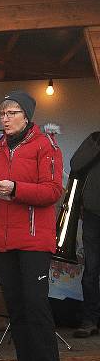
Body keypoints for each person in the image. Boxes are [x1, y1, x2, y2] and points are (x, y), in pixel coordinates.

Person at [0, 90, 63, 361]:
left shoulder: (45, 145)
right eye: (2, 113)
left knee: (36, 309)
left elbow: (52, 191)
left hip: (34, 241)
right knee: (17, 311)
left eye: (11, 113)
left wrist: (14, 188)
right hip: (2, 239)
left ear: (27, 116)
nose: (5, 118)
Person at [73, 132, 100, 338]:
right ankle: (89, 320)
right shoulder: (94, 139)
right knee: (91, 271)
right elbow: (76, 164)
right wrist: (96, 144)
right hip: (93, 215)